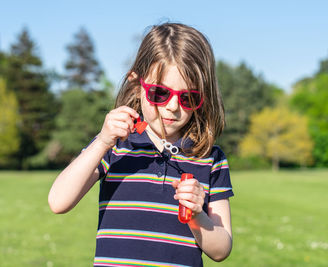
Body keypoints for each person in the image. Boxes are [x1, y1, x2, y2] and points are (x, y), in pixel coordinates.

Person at [48, 22, 233, 267]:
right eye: (159, 93)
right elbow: (58, 201)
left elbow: (221, 250)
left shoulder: (210, 158)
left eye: (188, 98)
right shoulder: (114, 145)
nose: (173, 107)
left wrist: (198, 216)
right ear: (137, 85)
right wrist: (102, 141)